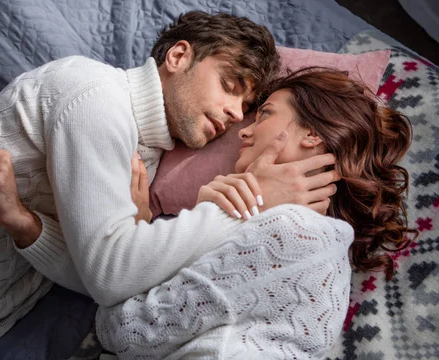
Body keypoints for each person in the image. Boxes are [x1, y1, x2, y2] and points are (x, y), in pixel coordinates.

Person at [0, 11, 337, 360]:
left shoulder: (146, 156)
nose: (234, 117)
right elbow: (110, 274)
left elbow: (96, 280)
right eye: (230, 86)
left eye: (247, 110)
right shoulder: (95, 96)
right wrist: (246, 205)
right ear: (179, 55)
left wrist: (26, 225)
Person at [96, 68, 417, 359]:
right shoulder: (325, 251)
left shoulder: (292, 231)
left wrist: (144, 226)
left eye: (265, 114)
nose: (244, 133)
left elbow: (124, 333)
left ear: (313, 134)